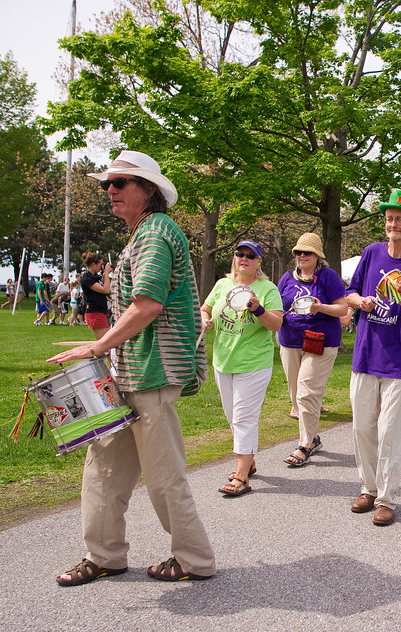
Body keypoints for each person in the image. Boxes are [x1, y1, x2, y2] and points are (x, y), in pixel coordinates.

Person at [49, 150, 214, 585]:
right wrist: (104, 351)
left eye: (120, 182)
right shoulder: (142, 234)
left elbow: (147, 304)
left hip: (152, 373)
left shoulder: (156, 233)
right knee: (102, 469)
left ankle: (194, 559)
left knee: (163, 477)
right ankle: (104, 555)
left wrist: (98, 345)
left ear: (149, 190)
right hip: (126, 374)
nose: (110, 190)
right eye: (108, 183)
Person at [344, 186, 401, 526]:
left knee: (390, 430)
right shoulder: (371, 253)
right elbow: (350, 292)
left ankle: (387, 499)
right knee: (363, 427)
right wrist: (359, 302)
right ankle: (367, 488)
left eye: (399, 219)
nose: (392, 223)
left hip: (399, 358)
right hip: (366, 354)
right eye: (389, 218)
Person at [202, 239, 283, 495]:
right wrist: (205, 321)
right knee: (232, 417)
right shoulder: (223, 284)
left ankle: (241, 476)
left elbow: (276, 325)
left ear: (259, 261)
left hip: (253, 364)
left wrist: (258, 309)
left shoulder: (267, 289)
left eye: (250, 255)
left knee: (243, 418)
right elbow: (205, 308)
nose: (244, 259)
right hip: (223, 362)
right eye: (240, 254)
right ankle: (249, 461)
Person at [277, 232, 348, 467]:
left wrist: (321, 308)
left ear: (318, 256)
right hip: (290, 341)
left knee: (306, 391)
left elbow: (342, 309)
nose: (302, 256)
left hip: (321, 341)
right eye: (299, 252)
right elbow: (278, 306)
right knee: (295, 392)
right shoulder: (287, 278)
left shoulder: (328, 277)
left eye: (307, 252)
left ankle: (305, 444)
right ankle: (314, 437)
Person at [80, 252, 113, 340]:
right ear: (93, 264)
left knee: (109, 341)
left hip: (102, 311)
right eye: (100, 264)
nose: (101, 267)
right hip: (95, 312)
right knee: (104, 343)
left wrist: (105, 274)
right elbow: (105, 290)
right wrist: (106, 273)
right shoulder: (86, 279)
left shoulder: (95, 277)